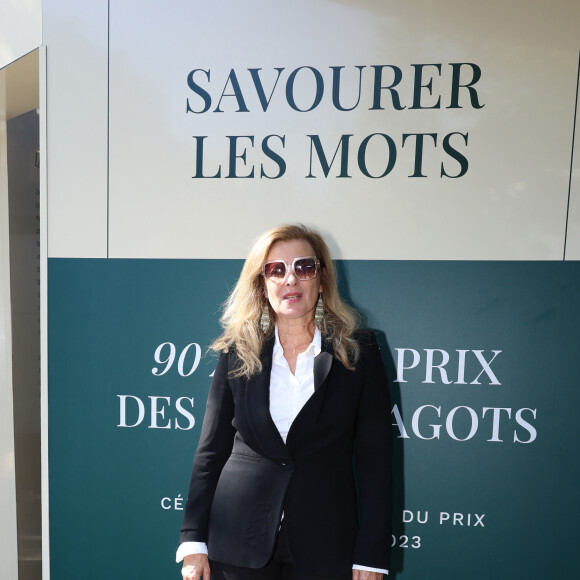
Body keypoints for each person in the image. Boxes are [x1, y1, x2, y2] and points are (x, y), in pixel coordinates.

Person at [177, 224, 392, 580]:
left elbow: (376, 461)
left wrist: (370, 557)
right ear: (262, 284)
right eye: (276, 270)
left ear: (321, 278)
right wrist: (194, 541)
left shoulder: (358, 350)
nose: (290, 279)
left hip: (325, 545)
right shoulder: (238, 351)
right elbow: (211, 449)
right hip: (237, 540)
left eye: (303, 267)